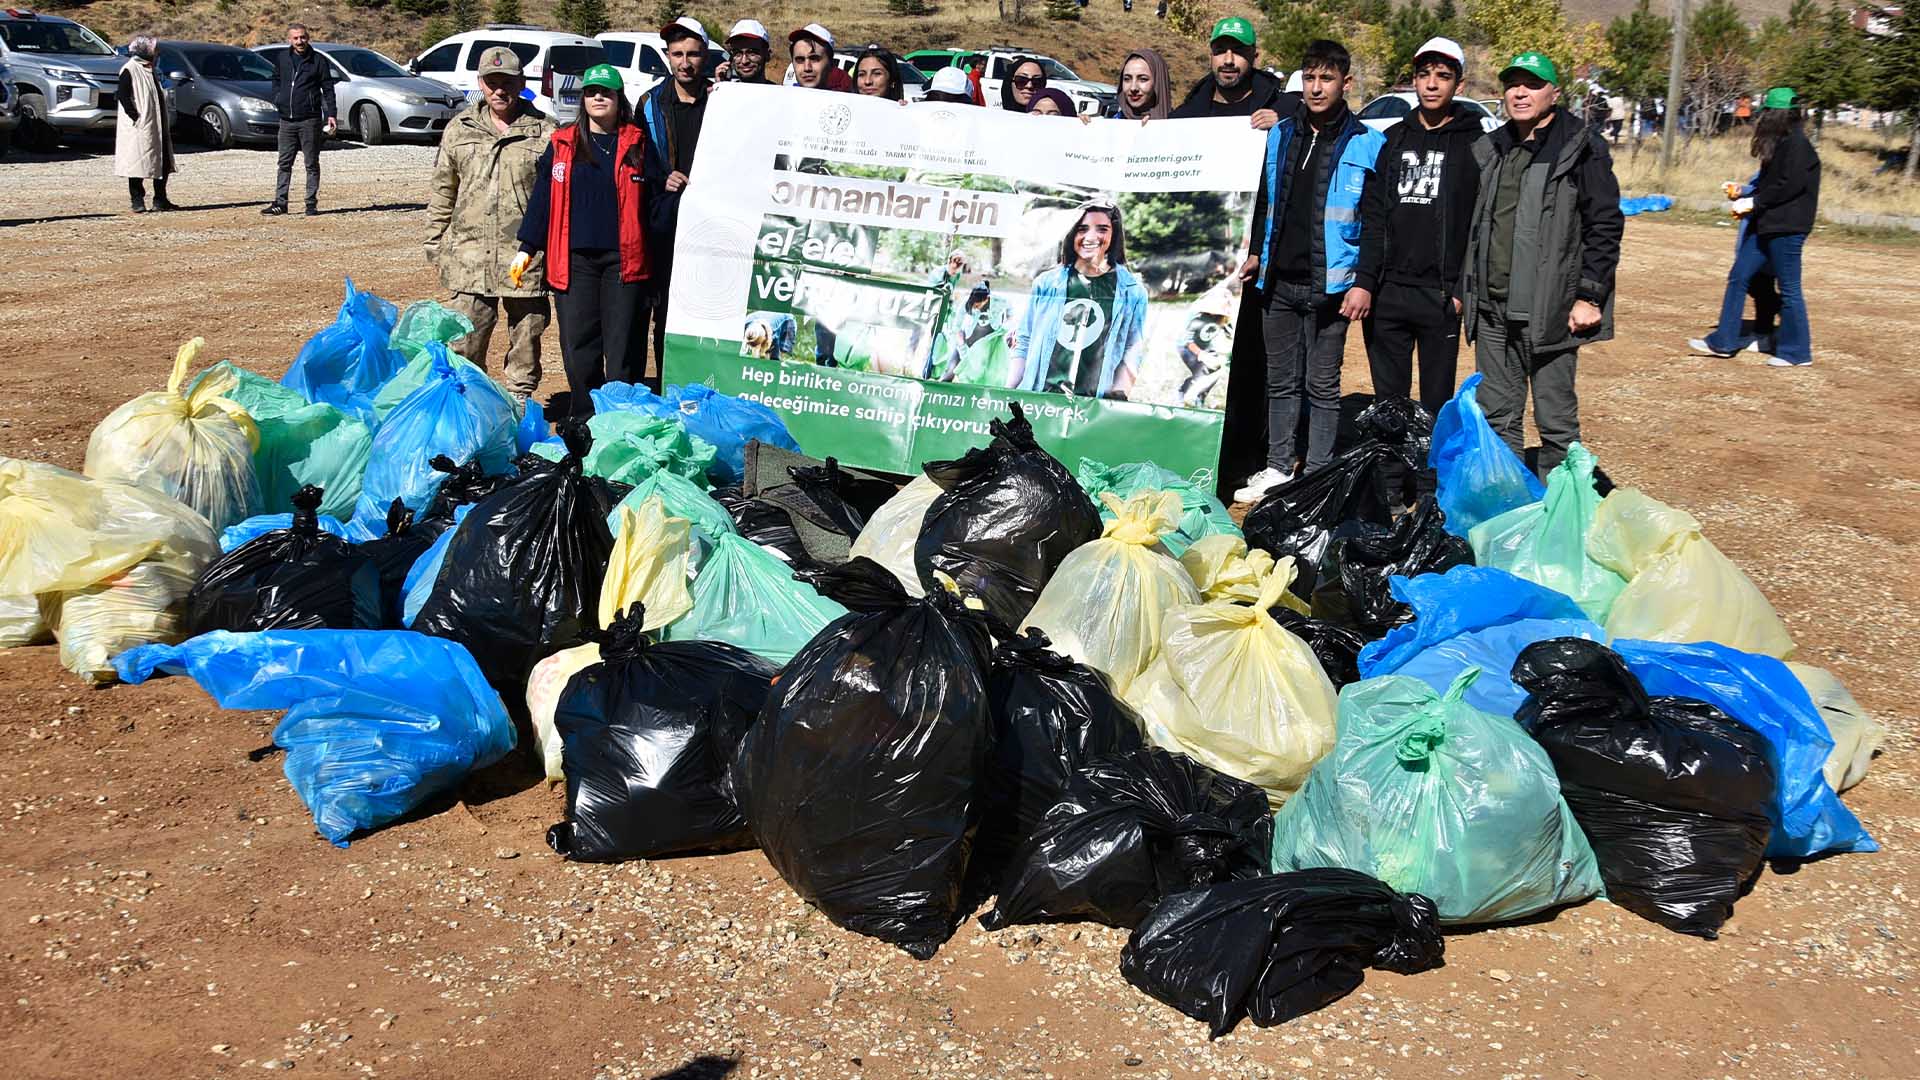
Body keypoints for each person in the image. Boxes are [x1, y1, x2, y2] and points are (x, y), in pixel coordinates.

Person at [1230, 40, 1386, 503]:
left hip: (1332, 287)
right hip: (1278, 282)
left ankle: (1317, 472)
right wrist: (1258, 252)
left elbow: (1377, 223)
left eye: (1327, 79)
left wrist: (1363, 282)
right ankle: (1279, 466)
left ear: (1346, 83)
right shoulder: (1281, 134)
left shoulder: (1367, 142)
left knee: (1322, 385)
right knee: (1281, 382)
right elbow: (1265, 203)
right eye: (1310, 78)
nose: (1317, 88)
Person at [1460, 52, 1623, 477]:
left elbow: (1605, 223)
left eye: (1532, 84)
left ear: (1555, 92)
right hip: (1494, 309)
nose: (1520, 92)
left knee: (1556, 423)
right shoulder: (1495, 147)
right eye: (1513, 84)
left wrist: (1590, 295)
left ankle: (1559, 516)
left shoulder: (1580, 145)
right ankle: (1511, 511)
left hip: (1549, 309)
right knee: (1498, 415)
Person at [1352, 37, 1483, 427]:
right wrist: (1367, 281)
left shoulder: (1476, 144)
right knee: (1389, 404)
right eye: (1423, 75)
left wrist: (1461, 289)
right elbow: (1373, 216)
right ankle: (1392, 484)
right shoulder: (1392, 140)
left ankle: (1429, 485)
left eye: (1442, 76)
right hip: (1389, 293)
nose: (1431, 84)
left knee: (1435, 404)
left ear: (1459, 85)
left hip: (1440, 297)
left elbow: (1480, 223)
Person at [514, 64, 651, 411]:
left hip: (624, 261)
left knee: (622, 347)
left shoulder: (638, 143)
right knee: (579, 344)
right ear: (583, 99)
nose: (599, 97)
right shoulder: (562, 144)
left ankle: (620, 417)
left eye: (606, 91)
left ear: (620, 98)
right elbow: (542, 197)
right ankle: (585, 419)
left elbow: (656, 202)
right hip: (574, 261)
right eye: (592, 91)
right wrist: (527, 247)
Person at [425, 45, 554, 405]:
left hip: (524, 257)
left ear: (521, 82)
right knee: (466, 339)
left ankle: (517, 404)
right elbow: (443, 189)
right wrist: (435, 243)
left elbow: (557, 200)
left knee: (526, 337)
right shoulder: (460, 128)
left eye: (508, 82)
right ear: (480, 84)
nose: (500, 90)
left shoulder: (545, 132)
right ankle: (469, 407)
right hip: (468, 256)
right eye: (492, 82)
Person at [1689, 87, 1819, 368]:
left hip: (1787, 228)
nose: (1761, 120)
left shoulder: (1798, 145)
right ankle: (1723, 341)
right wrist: (1744, 192)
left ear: (1778, 114)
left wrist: (1753, 203)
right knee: (1739, 276)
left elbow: (1788, 187)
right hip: (1766, 224)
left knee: (1789, 289)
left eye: (1767, 113)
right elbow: (1771, 183)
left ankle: (1797, 352)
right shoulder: (1781, 143)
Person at [638, 17, 712, 386]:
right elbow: (637, 158)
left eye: (693, 54)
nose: (685, 62)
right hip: (665, 224)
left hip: (711, 223)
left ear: (706, 57)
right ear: (668, 56)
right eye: (677, 54)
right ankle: (667, 381)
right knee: (664, 310)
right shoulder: (650, 104)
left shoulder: (721, 102)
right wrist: (659, 177)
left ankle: (704, 381)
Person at [1011, 202, 1148, 400]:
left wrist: (1118, 397)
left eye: (1102, 229)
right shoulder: (1047, 283)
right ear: (1071, 233)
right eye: (1082, 229)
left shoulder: (1132, 292)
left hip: (1092, 406)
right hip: (1039, 398)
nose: (1091, 237)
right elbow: (1024, 339)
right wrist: (1010, 391)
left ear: (1114, 234)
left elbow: (1132, 349)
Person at [262, 23, 337, 217]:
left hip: (309, 119)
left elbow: (328, 88)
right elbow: (276, 79)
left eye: (302, 37)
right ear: (289, 39)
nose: (299, 41)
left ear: (308, 37)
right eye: (295, 38)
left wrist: (331, 114)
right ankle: (280, 202)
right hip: (286, 120)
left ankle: (311, 203)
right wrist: (278, 97)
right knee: (284, 163)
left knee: (311, 163)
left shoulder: (318, 60)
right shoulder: (283, 58)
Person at [1171, 17, 1294, 127]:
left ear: (1254, 56)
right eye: (1220, 50)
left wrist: (1284, 127)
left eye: (1238, 51)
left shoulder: (1286, 109)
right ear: (1211, 56)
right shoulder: (1182, 118)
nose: (1228, 60)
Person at [114, 34, 175, 214]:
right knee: (137, 163)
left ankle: (160, 199)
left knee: (162, 162)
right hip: (140, 125)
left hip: (156, 122)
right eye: (153, 50)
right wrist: (136, 117)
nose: (157, 53)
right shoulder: (130, 69)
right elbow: (123, 96)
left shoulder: (151, 69)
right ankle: (137, 200)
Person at [1177, 280, 1237, 407]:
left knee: (1214, 371)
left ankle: (1196, 397)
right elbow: (1188, 341)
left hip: (1205, 349)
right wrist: (1202, 355)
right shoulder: (1198, 319)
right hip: (1188, 348)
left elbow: (1229, 335)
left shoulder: (1222, 320)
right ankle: (1187, 395)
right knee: (1203, 370)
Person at [789, 24, 851, 92]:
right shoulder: (782, 99)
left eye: (814, 59)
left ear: (830, 63)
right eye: (800, 60)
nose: (807, 68)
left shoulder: (847, 99)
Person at [1113, 48, 1171, 121]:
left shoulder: (1179, 125)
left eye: (1143, 79)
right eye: (1127, 79)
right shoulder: (1113, 123)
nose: (1133, 88)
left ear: (1158, 82)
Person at [718, 20, 774, 84]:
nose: (744, 61)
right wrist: (720, 88)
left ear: (767, 55)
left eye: (752, 53)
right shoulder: (724, 91)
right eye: (738, 54)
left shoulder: (780, 93)